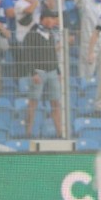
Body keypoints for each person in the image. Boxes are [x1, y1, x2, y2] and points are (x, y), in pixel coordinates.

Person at [20, 9, 63, 137]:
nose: (51, 20)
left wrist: (58, 71)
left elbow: (53, 54)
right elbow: (26, 55)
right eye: (48, 18)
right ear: (42, 19)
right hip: (38, 71)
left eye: (52, 18)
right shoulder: (32, 34)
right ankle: (28, 132)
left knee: (55, 102)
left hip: (52, 71)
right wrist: (33, 73)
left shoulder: (51, 34)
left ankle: (59, 133)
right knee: (33, 102)